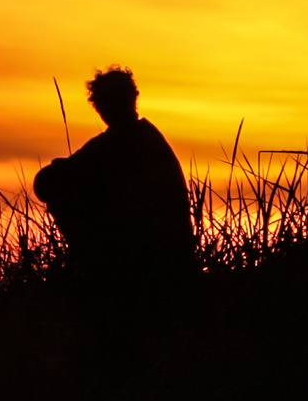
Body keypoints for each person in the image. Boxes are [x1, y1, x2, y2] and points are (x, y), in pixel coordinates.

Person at [33, 67, 196, 285]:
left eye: (110, 99)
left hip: (151, 256)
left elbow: (49, 181)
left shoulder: (126, 140)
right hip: (165, 254)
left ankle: (97, 273)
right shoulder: (139, 136)